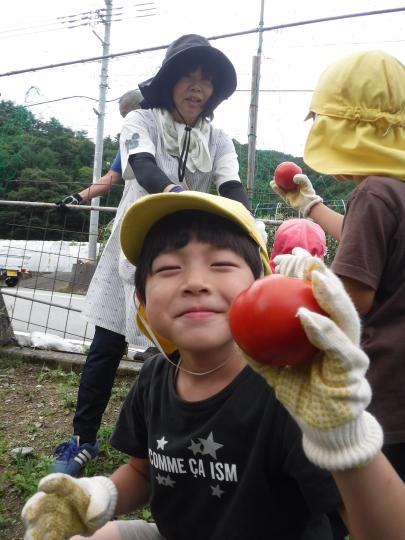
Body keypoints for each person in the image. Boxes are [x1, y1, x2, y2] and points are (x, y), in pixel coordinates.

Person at [21, 191, 405, 540]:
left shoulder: (294, 396)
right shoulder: (155, 377)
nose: (195, 282)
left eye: (221, 264)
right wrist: (94, 496)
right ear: (141, 298)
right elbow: (142, 472)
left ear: (261, 284)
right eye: (169, 269)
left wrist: (344, 434)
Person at [52, 33, 251, 477]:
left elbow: (231, 186)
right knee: (107, 344)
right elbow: (142, 167)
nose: (198, 88)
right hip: (134, 244)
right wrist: (177, 194)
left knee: (178, 351)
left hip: (186, 254)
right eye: (188, 77)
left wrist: (249, 226)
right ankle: (83, 440)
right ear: (168, 81)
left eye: (207, 81)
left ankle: (178, 449)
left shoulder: (218, 138)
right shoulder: (140, 120)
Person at [270, 50, 405, 538]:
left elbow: (355, 298)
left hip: (383, 388)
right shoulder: (397, 191)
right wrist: (311, 206)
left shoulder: (374, 193)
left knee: (366, 510)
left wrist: (304, 277)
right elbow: (364, 241)